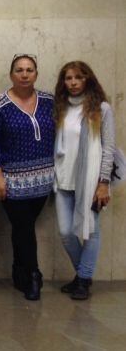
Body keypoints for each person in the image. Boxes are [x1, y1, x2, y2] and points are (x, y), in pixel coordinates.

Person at [0, 54, 54, 301]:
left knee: (22, 228)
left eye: (29, 70)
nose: (24, 74)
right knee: (24, 226)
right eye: (19, 70)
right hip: (12, 183)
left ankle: (19, 271)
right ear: (11, 74)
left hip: (43, 181)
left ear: (36, 73)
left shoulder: (49, 102)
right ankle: (34, 275)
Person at [52, 61, 115, 300]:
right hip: (63, 178)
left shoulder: (101, 108)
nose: (73, 83)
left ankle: (82, 278)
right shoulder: (61, 107)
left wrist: (103, 182)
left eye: (78, 77)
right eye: (68, 78)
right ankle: (83, 276)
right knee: (66, 232)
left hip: (89, 181)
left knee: (91, 231)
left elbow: (108, 148)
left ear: (88, 79)